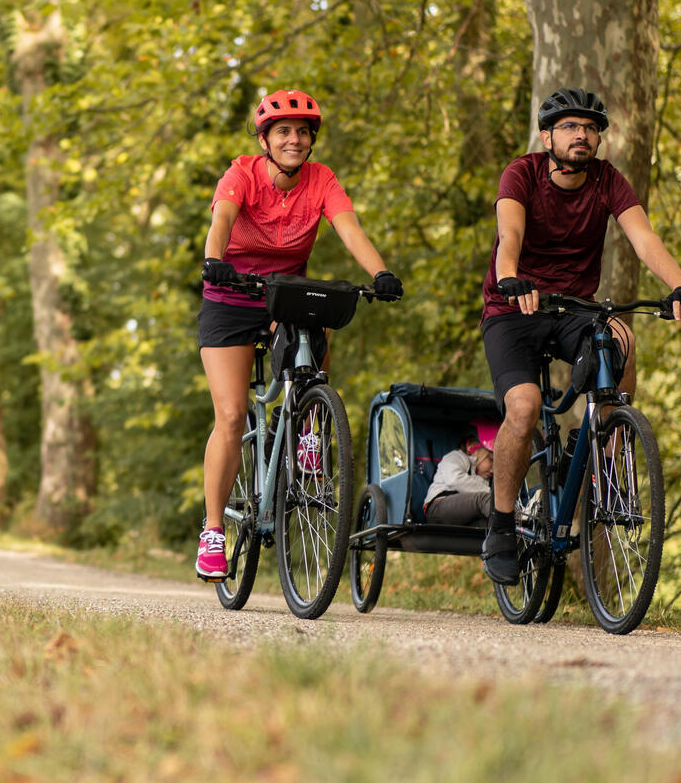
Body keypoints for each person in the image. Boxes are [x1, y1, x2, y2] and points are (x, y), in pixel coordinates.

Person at [478, 87, 681, 586]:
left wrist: (680, 284)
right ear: (547, 135)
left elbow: (644, 239)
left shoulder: (607, 180)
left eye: (591, 127)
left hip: (573, 308)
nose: (583, 135)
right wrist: (511, 276)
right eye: (571, 126)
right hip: (513, 308)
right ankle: (502, 524)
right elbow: (509, 233)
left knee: (621, 333)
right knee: (524, 408)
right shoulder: (523, 173)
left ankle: (605, 433)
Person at [194, 89, 403, 582]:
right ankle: (213, 530)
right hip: (231, 294)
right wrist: (216, 263)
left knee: (316, 323)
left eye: (303, 132)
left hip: (282, 293)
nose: (295, 139)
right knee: (229, 415)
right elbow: (222, 219)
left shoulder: (321, 179)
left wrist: (381, 274)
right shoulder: (241, 173)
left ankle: (307, 427)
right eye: (284, 131)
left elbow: (348, 228)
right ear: (265, 139)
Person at [423, 421, 499, 529]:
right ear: (473, 448)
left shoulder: (484, 480)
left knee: (486, 525)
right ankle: (510, 520)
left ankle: (507, 534)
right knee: (483, 500)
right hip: (438, 509)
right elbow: (454, 480)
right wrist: (488, 491)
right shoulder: (456, 457)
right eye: (491, 459)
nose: (494, 469)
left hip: (462, 518)